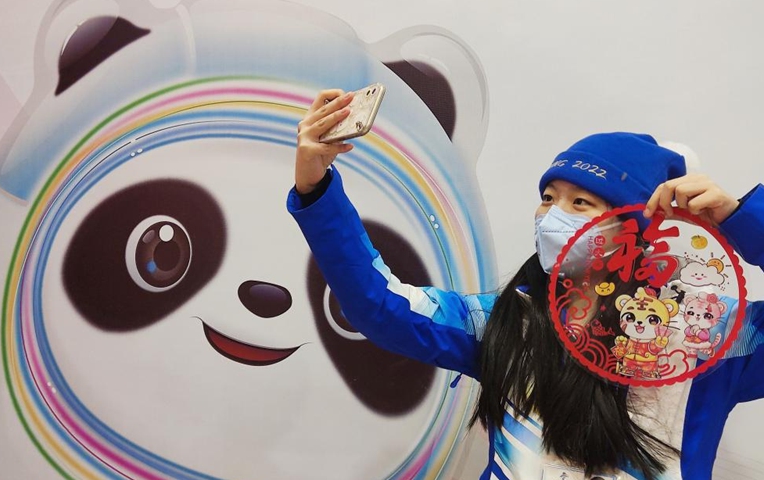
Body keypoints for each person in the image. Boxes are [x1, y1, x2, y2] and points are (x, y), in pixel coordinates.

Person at [287, 89, 764, 480]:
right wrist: (317, 189)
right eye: (549, 198)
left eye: (582, 204)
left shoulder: (706, 336)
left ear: (637, 231)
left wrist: (742, 220)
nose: (554, 215)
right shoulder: (505, 320)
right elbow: (381, 307)